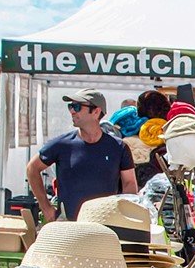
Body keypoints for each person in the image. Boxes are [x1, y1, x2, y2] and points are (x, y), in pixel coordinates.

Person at [27, 90, 137, 220]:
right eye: (71, 106)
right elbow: (32, 169)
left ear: (96, 112)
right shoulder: (61, 144)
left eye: (77, 107)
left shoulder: (119, 147)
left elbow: (129, 183)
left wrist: (125, 216)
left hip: (105, 225)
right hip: (68, 225)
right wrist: (46, 208)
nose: (72, 111)